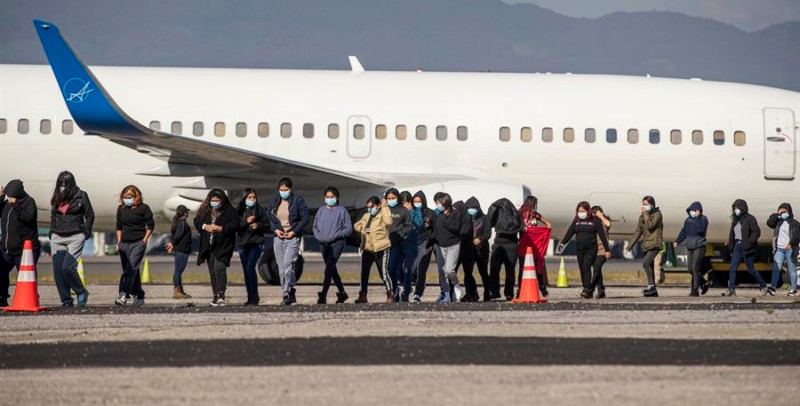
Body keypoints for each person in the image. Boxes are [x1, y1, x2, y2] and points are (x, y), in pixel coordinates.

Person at [49, 171, 94, 308]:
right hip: (57, 237)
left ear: (71, 183)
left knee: (67, 268)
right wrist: (52, 231)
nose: (63, 186)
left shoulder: (81, 196)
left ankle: (81, 291)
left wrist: (86, 233)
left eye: (65, 183)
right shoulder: (57, 196)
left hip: (75, 236)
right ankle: (66, 301)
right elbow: (53, 215)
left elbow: (90, 215)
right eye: (60, 183)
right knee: (58, 272)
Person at [267, 177, 310, 305]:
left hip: (292, 237)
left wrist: (294, 231)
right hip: (278, 238)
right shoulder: (275, 200)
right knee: (281, 268)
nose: (283, 191)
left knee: (288, 265)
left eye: (285, 189)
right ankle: (286, 294)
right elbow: (268, 217)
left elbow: (305, 218)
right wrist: (275, 230)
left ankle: (290, 290)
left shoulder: (298, 201)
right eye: (281, 189)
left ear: (290, 189)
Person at [195, 188, 239, 306]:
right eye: (212, 200)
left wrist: (220, 229)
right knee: (212, 271)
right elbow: (197, 222)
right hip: (208, 246)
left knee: (219, 268)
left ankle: (221, 295)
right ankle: (215, 295)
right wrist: (205, 226)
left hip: (223, 246)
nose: (214, 202)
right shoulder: (205, 210)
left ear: (222, 200)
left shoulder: (230, 211)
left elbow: (235, 225)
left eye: (217, 200)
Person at [0, 180, 41, 308]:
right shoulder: (6, 203)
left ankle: (32, 297)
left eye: (10, 195)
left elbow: (28, 217)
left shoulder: (29, 202)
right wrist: (1, 198)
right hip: (7, 249)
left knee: (26, 277)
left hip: (24, 250)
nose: (9, 197)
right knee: (1, 272)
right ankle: (1, 297)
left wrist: (16, 204)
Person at [558, 202, 610, 299]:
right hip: (579, 249)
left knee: (586, 267)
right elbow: (570, 231)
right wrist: (563, 242)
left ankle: (587, 289)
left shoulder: (595, 220)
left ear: (588, 211)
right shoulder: (577, 220)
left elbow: (602, 235)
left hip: (591, 248)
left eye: (582, 211)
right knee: (582, 269)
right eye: (579, 211)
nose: (580, 213)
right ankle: (587, 289)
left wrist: (607, 250)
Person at [114, 185, 154, 307]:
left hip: (138, 242)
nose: (127, 199)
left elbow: (151, 225)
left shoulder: (144, 208)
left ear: (137, 196)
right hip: (124, 243)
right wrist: (119, 241)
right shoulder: (121, 209)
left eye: (130, 197)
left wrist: (145, 240)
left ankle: (123, 294)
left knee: (130, 268)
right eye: (125, 197)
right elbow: (119, 226)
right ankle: (139, 296)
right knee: (132, 270)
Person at [312, 186, 353, 304]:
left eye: (332, 197)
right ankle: (342, 293)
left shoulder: (342, 210)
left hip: (336, 244)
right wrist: (319, 236)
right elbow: (314, 227)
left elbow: (348, 228)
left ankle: (323, 295)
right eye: (327, 197)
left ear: (337, 197)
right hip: (323, 244)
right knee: (333, 271)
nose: (329, 199)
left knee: (328, 269)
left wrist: (336, 235)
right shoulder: (321, 210)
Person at [723, 199, 768, 296]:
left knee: (751, 269)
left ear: (742, 208)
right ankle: (731, 289)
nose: (736, 210)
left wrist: (749, 242)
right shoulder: (735, 219)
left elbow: (756, 232)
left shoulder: (750, 218)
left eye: (737, 208)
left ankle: (763, 286)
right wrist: (730, 244)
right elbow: (732, 234)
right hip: (737, 246)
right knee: (732, 268)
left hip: (747, 247)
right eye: (734, 208)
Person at [354, 196, 393, 303]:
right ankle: (363, 295)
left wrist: (384, 207)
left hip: (381, 248)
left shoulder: (383, 215)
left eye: (372, 207)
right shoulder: (367, 216)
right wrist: (360, 227)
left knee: (383, 273)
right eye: (368, 207)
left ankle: (390, 293)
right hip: (368, 248)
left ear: (378, 205)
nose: (370, 209)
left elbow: (389, 222)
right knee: (364, 273)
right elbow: (357, 225)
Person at [432, 193, 470, 303]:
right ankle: (447, 295)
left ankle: (456, 284)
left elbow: (455, 228)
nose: (437, 205)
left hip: (453, 245)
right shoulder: (437, 214)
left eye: (439, 203)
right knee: (442, 272)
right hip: (441, 245)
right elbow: (435, 229)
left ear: (445, 203)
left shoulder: (455, 214)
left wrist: (444, 218)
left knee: (449, 270)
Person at [235, 188, 270, 305]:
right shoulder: (239, 211)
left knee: (250, 268)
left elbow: (267, 225)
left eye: (254, 197)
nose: (252, 200)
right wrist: (246, 221)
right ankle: (250, 297)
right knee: (246, 271)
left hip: (256, 243)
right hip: (242, 244)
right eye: (250, 198)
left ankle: (255, 297)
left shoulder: (259, 210)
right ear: (244, 198)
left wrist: (258, 225)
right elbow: (234, 226)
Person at [626, 196, 664, 297]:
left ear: (652, 205)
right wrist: (630, 245)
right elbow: (638, 231)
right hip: (646, 244)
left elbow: (650, 226)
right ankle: (652, 289)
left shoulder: (657, 214)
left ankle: (651, 286)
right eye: (643, 204)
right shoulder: (643, 216)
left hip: (655, 244)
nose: (644, 206)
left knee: (646, 263)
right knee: (649, 265)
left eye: (646, 204)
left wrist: (645, 213)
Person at [517, 196, 552, 298]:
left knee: (538, 266)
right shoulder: (520, 215)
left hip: (535, 245)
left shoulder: (535, 215)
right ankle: (520, 289)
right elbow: (516, 225)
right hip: (524, 245)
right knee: (522, 268)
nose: (535, 207)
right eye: (534, 204)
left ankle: (542, 286)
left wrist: (547, 225)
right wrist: (522, 228)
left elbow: (546, 222)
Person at [487, 198, 521, 301]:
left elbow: (490, 222)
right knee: (510, 271)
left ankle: (494, 291)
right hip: (512, 246)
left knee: (494, 270)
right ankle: (509, 293)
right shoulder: (516, 216)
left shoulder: (498, 213)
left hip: (498, 244)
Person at [673, 202, 709, 297]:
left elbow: (700, 229)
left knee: (695, 268)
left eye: (694, 211)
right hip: (690, 246)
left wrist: (697, 217)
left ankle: (695, 290)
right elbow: (683, 231)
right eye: (691, 211)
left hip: (699, 246)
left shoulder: (703, 219)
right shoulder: (687, 220)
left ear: (699, 211)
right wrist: (677, 241)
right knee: (690, 269)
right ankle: (704, 283)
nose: (692, 212)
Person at [459, 196, 492, 302]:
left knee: (483, 272)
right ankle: (471, 293)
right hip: (469, 249)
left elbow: (488, 233)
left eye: (474, 208)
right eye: (469, 208)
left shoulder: (485, 218)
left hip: (481, 249)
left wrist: (480, 239)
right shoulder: (465, 218)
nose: (471, 210)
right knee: (468, 273)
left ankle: (487, 291)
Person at [385, 188, 413, 301]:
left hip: (398, 244)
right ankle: (392, 290)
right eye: (389, 198)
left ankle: (394, 290)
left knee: (392, 268)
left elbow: (409, 226)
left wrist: (400, 235)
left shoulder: (403, 211)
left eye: (393, 198)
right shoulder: (383, 210)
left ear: (398, 198)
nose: (391, 200)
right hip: (384, 244)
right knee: (386, 270)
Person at [766, 203, 799, 296]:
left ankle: (793, 289)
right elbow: (769, 222)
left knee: (792, 269)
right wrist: (777, 214)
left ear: (789, 212)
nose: (783, 213)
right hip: (779, 249)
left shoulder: (794, 223)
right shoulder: (778, 222)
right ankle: (772, 288)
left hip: (790, 249)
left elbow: (797, 236)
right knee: (776, 268)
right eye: (781, 211)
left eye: (784, 211)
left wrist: (790, 244)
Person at [412, 191, 437, 303]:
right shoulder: (410, 213)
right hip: (412, 244)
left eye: (419, 201)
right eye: (415, 201)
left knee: (421, 270)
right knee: (411, 270)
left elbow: (435, 230)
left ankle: (418, 294)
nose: (417, 203)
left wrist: (431, 242)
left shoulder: (430, 213)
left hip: (425, 244)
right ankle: (419, 284)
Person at [166, 205, 192, 299]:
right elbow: (178, 236)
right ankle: (177, 291)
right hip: (182, 249)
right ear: (184, 213)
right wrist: (172, 243)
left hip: (180, 249)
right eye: (187, 212)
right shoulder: (182, 223)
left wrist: (172, 244)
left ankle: (180, 290)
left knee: (178, 271)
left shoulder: (178, 222)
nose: (188, 213)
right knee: (178, 271)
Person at [398, 191, 419, 302]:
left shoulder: (415, 212)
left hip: (411, 243)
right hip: (400, 243)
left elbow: (419, 223)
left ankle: (405, 292)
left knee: (407, 269)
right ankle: (407, 287)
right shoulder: (399, 212)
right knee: (397, 269)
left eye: (406, 203)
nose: (404, 205)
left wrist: (410, 210)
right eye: (402, 203)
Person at [592, 206, 612, 299]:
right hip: (593, 249)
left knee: (597, 266)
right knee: (597, 269)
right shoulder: (592, 222)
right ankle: (601, 289)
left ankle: (592, 288)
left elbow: (608, 224)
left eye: (597, 211)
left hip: (603, 249)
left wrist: (601, 216)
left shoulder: (604, 221)